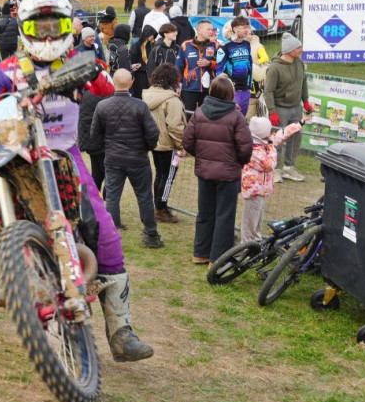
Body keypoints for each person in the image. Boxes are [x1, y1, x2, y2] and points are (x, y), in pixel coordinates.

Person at [0, 0, 153, 361]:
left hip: (64, 152)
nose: (49, 35)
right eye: (40, 28)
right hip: (16, 152)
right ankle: (10, 271)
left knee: (105, 231)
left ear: (68, 28)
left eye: (56, 27)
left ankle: (121, 330)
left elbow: (103, 84)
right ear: (26, 29)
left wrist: (89, 71)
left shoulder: (78, 62)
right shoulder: (7, 70)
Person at [182, 76, 253, 264]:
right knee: (224, 216)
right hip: (227, 174)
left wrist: (202, 156)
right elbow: (246, 148)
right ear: (230, 93)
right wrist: (238, 162)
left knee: (205, 212)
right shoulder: (236, 117)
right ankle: (217, 258)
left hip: (206, 172)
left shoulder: (199, 114)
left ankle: (201, 253)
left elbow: (187, 141)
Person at [91, 69, 163, 249]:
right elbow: (153, 133)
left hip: (114, 158)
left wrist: (108, 148)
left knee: (112, 197)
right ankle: (151, 234)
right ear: (131, 82)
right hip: (137, 159)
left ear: (113, 83)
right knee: (144, 197)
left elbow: (94, 135)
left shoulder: (102, 106)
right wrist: (146, 147)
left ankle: (111, 234)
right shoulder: (140, 106)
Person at [241, 117, 303, 243]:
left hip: (261, 190)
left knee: (258, 218)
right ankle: (246, 244)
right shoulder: (253, 149)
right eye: (268, 130)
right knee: (250, 220)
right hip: (253, 191)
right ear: (263, 132)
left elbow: (282, 134)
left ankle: (256, 241)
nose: (271, 133)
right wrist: (272, 147)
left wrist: (300, 123)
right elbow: (270, 164)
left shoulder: (264, 142)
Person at [143, 64, 186, 225]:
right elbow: (175, 126)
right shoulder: (171, 100)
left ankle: (159, 206)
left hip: (154, 142)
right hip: (168, 144)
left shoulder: (148, 95)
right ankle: (161, 209)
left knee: (160, 175)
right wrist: (181, 145)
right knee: (167, 177)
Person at [264, 32, 311, 182]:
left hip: (296, 108)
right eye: (298, 47)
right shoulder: (274, 68)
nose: (301, 50)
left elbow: (303, 82)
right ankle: (274, 169)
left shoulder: (299, 63)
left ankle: (288, 168)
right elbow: (268, 91)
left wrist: (306, 101)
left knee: (296, 137)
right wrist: (272, 111)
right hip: (280, 109)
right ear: (288, 50)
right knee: (277, 139)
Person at [176, 20, 218, 114]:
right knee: (188, 115)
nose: (211, 32)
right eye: (208, 29)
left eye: (212, 29)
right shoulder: (186, 45)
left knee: (206, 116)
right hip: (189, 88)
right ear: (199, 30)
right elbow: (178, 67)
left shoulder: (215, 45)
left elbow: (221, 65)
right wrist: (177, 84)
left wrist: (209, 63)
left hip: (209, 89)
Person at [217, 16, 254, 114]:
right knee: (231, 117)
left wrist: (249, 86)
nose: (247, 30)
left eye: (248, 27)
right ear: (235, 29)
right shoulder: (225, 46)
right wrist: (226, 88)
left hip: (245, 90)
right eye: (244, 27)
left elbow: (250, 65)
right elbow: (218, 70)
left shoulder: (247, 44)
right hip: (232, 91)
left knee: (242, 118)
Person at [128, 25, 157, 98]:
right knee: (139, 94)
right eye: (151, 35)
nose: (152, 37)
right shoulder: (137, 46)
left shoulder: (153, 45)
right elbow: (132, 60)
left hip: (150, 73)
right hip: (140, 74)